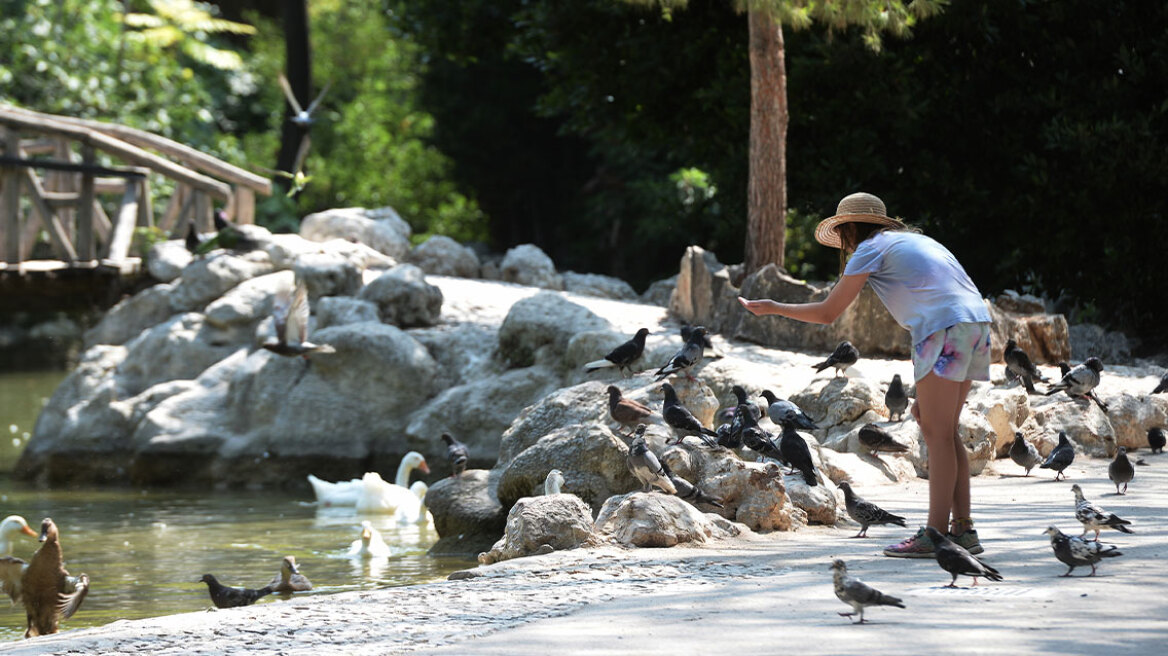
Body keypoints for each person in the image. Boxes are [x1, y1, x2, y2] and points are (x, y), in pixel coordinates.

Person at [738, 192, 991, 558]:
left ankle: (935, 535)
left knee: (937, 433)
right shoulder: (916, 241)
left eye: (842, 235)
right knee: (942, 429)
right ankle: (963, 531)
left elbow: (828, 313)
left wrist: (775, 307)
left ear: (850, 229)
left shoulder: (870, 248)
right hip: (976, 324)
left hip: (942, 328)